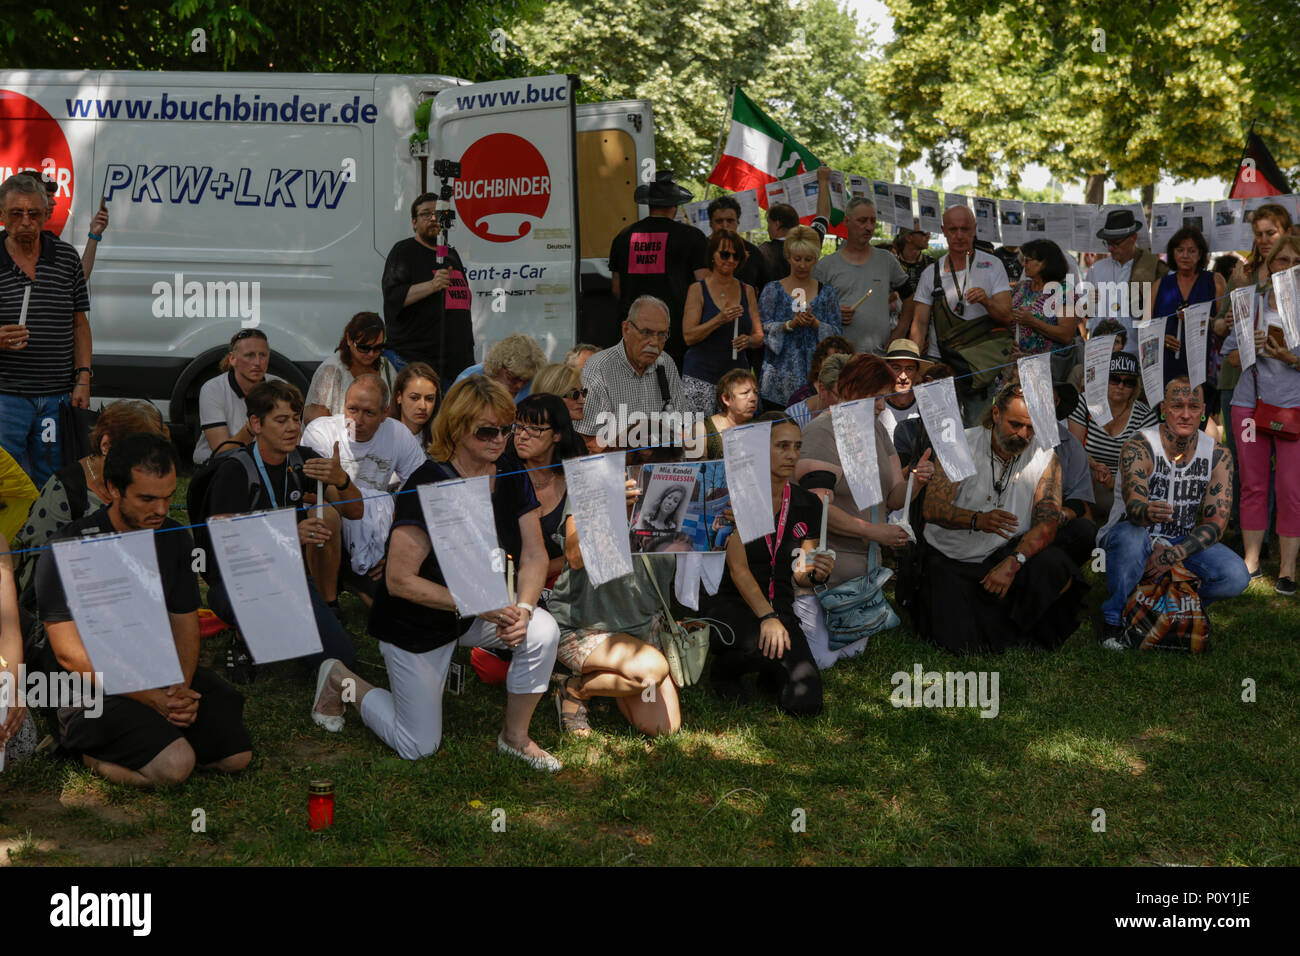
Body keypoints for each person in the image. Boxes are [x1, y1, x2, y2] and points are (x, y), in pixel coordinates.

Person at [311, 376, 564, 770]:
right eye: (487, 431)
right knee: (418, 745)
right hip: (417, 622)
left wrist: (526, 609)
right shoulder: (427, 482)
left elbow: (534, 553)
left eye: (506, 429)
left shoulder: (510, 471)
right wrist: (480, 605)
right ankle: (341, 680)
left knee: (543, 630)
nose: (500, 439)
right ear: (459, 428)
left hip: (479, 609)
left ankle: (515, 737)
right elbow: (398, 581)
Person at [35, 434, 252, 786]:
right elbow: (69, 655)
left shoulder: (174, 537)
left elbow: (184, 621)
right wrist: (152, 699)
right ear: (113, 490)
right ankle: (86, 752)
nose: (161, 510)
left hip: (155, 669)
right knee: (175, 766)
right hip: (89, 685)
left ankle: (153, 736)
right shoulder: (68, 547)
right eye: (147, 499)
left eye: (168, 497)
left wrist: (179, 690)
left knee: (236, 756)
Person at [202, 381, 361, 667]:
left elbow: (355, 511)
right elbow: (224, 543)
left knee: (340, 659)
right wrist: (287, 534)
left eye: (295, 419)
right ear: (256, 424)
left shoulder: (304, 460)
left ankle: (286, 626)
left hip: (289, 577)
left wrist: (342, 480)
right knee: (278, 633)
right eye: (281, 420)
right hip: (239, 580)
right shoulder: (234, 471)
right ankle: (243, 636)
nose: (292, 427)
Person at [919, 384, 1086, 653]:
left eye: (1031, 428)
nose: (1023, 434)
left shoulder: (1045, 456)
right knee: (959, 644)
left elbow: (1048, 521)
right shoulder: (960, 444)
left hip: (1004, 553)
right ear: (995, 413)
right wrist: (976, 520)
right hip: (953, 558)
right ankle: (1003, 629)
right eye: (1016, 424)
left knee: (1054, 564)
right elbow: (933, 508)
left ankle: (1015, 628)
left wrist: (1014, 561)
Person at [796, 355, 931, 667]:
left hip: (864, 575)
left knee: (851, 653)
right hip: (822, 572)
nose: (882, 407)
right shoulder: (822, 432)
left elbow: (895, 498)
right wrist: (875, 532)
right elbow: (818, 507)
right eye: (877, 399)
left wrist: (917, 479)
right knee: (823, 661)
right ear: (852, 391)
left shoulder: (877, 431)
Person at [1099, 376, 1249, 648]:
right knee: (1133, 539)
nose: (1185, 414)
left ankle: (1173, 605)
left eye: (1193, 406)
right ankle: (1114, 618)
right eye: (1177, 406)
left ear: (1203, 411)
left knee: (1236, 574)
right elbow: (1133, 510)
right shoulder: (1139, 445)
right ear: (1164, 408)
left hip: (1179, 541)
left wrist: (1173, 555)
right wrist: (1147, 512)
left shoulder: (1218, 455)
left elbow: (1216, 525)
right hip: (1132, 533)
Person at [704, 413, 833, 715]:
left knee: (806, 703)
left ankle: (770, 668)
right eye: (782, 446)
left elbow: (801, 574)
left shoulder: (808, 504)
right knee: (754, 644)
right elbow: (738, 571)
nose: (792, 455)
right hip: (734, 603)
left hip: (780, 606)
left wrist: (816, 574)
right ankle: (725, 670)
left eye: (797, 447)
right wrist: (768, 617)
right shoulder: (732, 496)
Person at [11, 400, 169, 603]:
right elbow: (42, 561)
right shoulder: (66, 487)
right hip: (68, 598)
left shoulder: (149, 484)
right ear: (106, 445)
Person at [547, 514, 680, 737]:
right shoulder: (593, 484)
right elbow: (575, 556)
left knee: (664, 727)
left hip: (642, 630)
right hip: (586, 626)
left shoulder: (668, 486)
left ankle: (609, 678)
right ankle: (577, 690)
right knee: (652, 670)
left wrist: (723, 530)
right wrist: (616, 510)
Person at [0, 173, 92, 488]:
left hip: (56, 397)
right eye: (16, 213)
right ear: (1, 216)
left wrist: (83, 378)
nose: (26, 221)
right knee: (5, 480)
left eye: (34, 213)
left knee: (52, 478)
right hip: (5, 397)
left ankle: (44, 535)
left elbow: (79, 323)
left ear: (46, 215)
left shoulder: (66, 258)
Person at [302, 374, 427, 601]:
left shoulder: (398, 434)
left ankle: (363, 574)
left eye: (369, 413)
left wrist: (393, 546)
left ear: (385, 413)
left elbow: (420, 492)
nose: (358, 420)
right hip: (334, 521)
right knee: (324, 514)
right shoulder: (321, 432)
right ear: (343, 406)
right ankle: (328, 601)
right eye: (352, 409)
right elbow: (310, 494)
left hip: (378, 530)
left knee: (386, 603)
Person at [1223, 235, 1300, 592]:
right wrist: (1248, 348)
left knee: (1290, 489)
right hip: (1250, 408)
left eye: (1294, 260)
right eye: (1281, 260)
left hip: (1293, 410)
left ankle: (1287, 569)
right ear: (1268, 266)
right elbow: (1230, 358)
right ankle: (1250, 562)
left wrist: (1290, 358)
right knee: (1253, 485)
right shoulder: (1249, 303)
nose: (1287, 266)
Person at [908, 205, 1013, 426]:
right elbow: (919, 325)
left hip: (979, 367)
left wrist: (986, 300)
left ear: (974, 229)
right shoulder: (931, 273)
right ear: (943, 230)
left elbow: (1006, 317)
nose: (959, 236)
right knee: (940, 432)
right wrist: (916, 368)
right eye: (953, 229)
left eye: (965, 229)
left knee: (977, 432)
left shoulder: (992, 265)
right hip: (941, 364)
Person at [607, 170, 709, 368]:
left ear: (649, 203)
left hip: (632, 336)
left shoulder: (623, 236)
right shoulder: (692, 237)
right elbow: (704, 286)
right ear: (675, 206)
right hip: (675, 336)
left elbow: (616, 289)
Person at [380, 192, 473, 385]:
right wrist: (431, 285)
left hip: (455, 365)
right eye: (425, 214)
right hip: (417, 364)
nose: (433, 218)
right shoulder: (404, 251)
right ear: (414, 222)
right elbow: (393, 297)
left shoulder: (451, 254)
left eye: (438, 214)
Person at [575, 295, 689, 452]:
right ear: (626, 329)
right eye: (647, 332)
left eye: (662, 334)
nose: (655, 342)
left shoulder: (665, 363)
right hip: (614, 466)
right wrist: (633, 453)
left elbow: (681, 424)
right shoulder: (599, 367)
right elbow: (587, 440)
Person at [813, 197, 914, 355]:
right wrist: (832, 312)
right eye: (862, 221)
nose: (869, 227)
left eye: (873, 221)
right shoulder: (826, 266)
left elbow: (909, 298)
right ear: (846, 221)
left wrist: (900, 332)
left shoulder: (887, 260)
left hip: (878, 359)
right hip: (838, 359)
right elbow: (807, 308)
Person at [759, 225, 842, 408]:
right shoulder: (772, 290)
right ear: (788, 256)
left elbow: (838, 335)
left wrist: (817, 324)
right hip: (779, 382)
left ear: (816, 259)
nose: (802, 265)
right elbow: (761, 330)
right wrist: (788, 325)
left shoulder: (827, 293)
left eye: (808, 259)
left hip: (818, 380)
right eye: (797, 259)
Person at [681, 229, 763, 413]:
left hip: (735, 379)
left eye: (736, 256)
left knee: (737, 438)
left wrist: (748, 341)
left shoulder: (747, 290)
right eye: (725, 254)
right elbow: (689, 336)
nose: (731, 260)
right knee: (698, 437)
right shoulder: (697, 290)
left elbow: (759, 335)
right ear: (712, 255)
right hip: (701, 376)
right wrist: (719, 319)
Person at [1067, 352, 1158, 518]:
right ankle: (1085, 520)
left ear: (1135, 386)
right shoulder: (1083, 403)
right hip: (1085, 476)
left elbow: (1145, 465)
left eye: (1128, 382)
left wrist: (1115, 480)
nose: (1120, 386)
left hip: (1123, 484)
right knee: (1076, 469)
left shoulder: (1146, 416)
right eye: (1114, 379)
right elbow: (1074, 448)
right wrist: (1094, 465)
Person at [511, 394, 587, 582]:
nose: (522, 436)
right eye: (518, 426)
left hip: (567, 590)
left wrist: (541, 569)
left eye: (535, 429)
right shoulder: (503, 480)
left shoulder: (575, 480)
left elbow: (585, 550)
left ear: (557, 435)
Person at [1154, 227, 1226, 418]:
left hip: (1202, 365)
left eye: (1192, 250)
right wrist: (1161, 337)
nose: (1185, 255)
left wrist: (1198, 319)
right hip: (1167, 364)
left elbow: (1225, 327)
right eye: (1180, 250)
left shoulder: (1214, 281)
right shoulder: (1160, 285)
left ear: (1201, 254)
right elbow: (1145, 327)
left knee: (1197, 418)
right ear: (1172, 253)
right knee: (1168, 418)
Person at [1085, 210, 1169, 352]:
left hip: (1136, 351)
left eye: (1116, 243)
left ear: (1133, 237)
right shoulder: (1096, 269)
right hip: (1100, 352)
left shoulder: (1152, 268)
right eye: (1108, 243)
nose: (1110, 248)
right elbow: (1086, 313)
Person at [192, 328, 279, 464]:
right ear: (232, 359)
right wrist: (252, 428)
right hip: (220, 465)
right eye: (249, 355)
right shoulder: (213, 389)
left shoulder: (279, 387)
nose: (257, 362)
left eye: (263, 355)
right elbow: (221, 452)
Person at [304, 312, 397, 424]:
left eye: (378, 347)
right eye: (364, 348)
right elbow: (316, 421)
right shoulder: (331, 371)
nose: (371, 354)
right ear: (349, 339)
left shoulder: (386, 367)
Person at [1011, 238, 1078, 357]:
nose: (1023, 264)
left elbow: (1066, 335)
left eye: (1027, 260)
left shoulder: (1064, 291)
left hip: (1048, 365)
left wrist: (1032, 321)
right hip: (1016, 362)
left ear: (1044, 263)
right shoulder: (1021, 287)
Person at [453, 333, 546, 400]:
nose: (520, 385)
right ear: (498, 366)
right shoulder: (467, 381)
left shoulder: (535, 384)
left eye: (526, 380)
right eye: (514, 378)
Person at [707, 195, 768, 292]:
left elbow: (764, 289)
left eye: (730, 221)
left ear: (738, 222)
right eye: (719, 221)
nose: (725, 225)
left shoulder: (753, 253)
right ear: (711, 223)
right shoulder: (700, 249)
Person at [877, 339, 932, 442]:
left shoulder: (927, 407)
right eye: (896, 368)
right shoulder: (877, 406)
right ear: (886, 370)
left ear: (917, 373)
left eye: (909, 369)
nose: (903, 376)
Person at [702, 368, 759, 458]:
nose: (753, 398)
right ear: (726, 399)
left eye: (755, 392)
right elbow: (697, 469)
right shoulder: (702, 429)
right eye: (745, 393)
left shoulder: (761, 428)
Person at [784, 335, 853, 408]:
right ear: (819, 362)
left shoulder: (853, 394)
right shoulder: (800, 397)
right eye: (832, 360)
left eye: (841, 361)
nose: (838, 366)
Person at [785, 352, 849, 429]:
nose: (847, 403)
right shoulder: (794, 419)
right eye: (840, 396)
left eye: (852, 396)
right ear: (822, 390)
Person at [393, 361, 440, 448]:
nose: (423, 406)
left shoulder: (441, 441)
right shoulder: (381, 435)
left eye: (429, 399)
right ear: (399, 396)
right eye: (414, 398)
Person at [759, 202, 799, 281]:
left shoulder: (764, 250)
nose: (768, 229)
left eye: (769, 223)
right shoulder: (806, 249)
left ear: (777, 224)